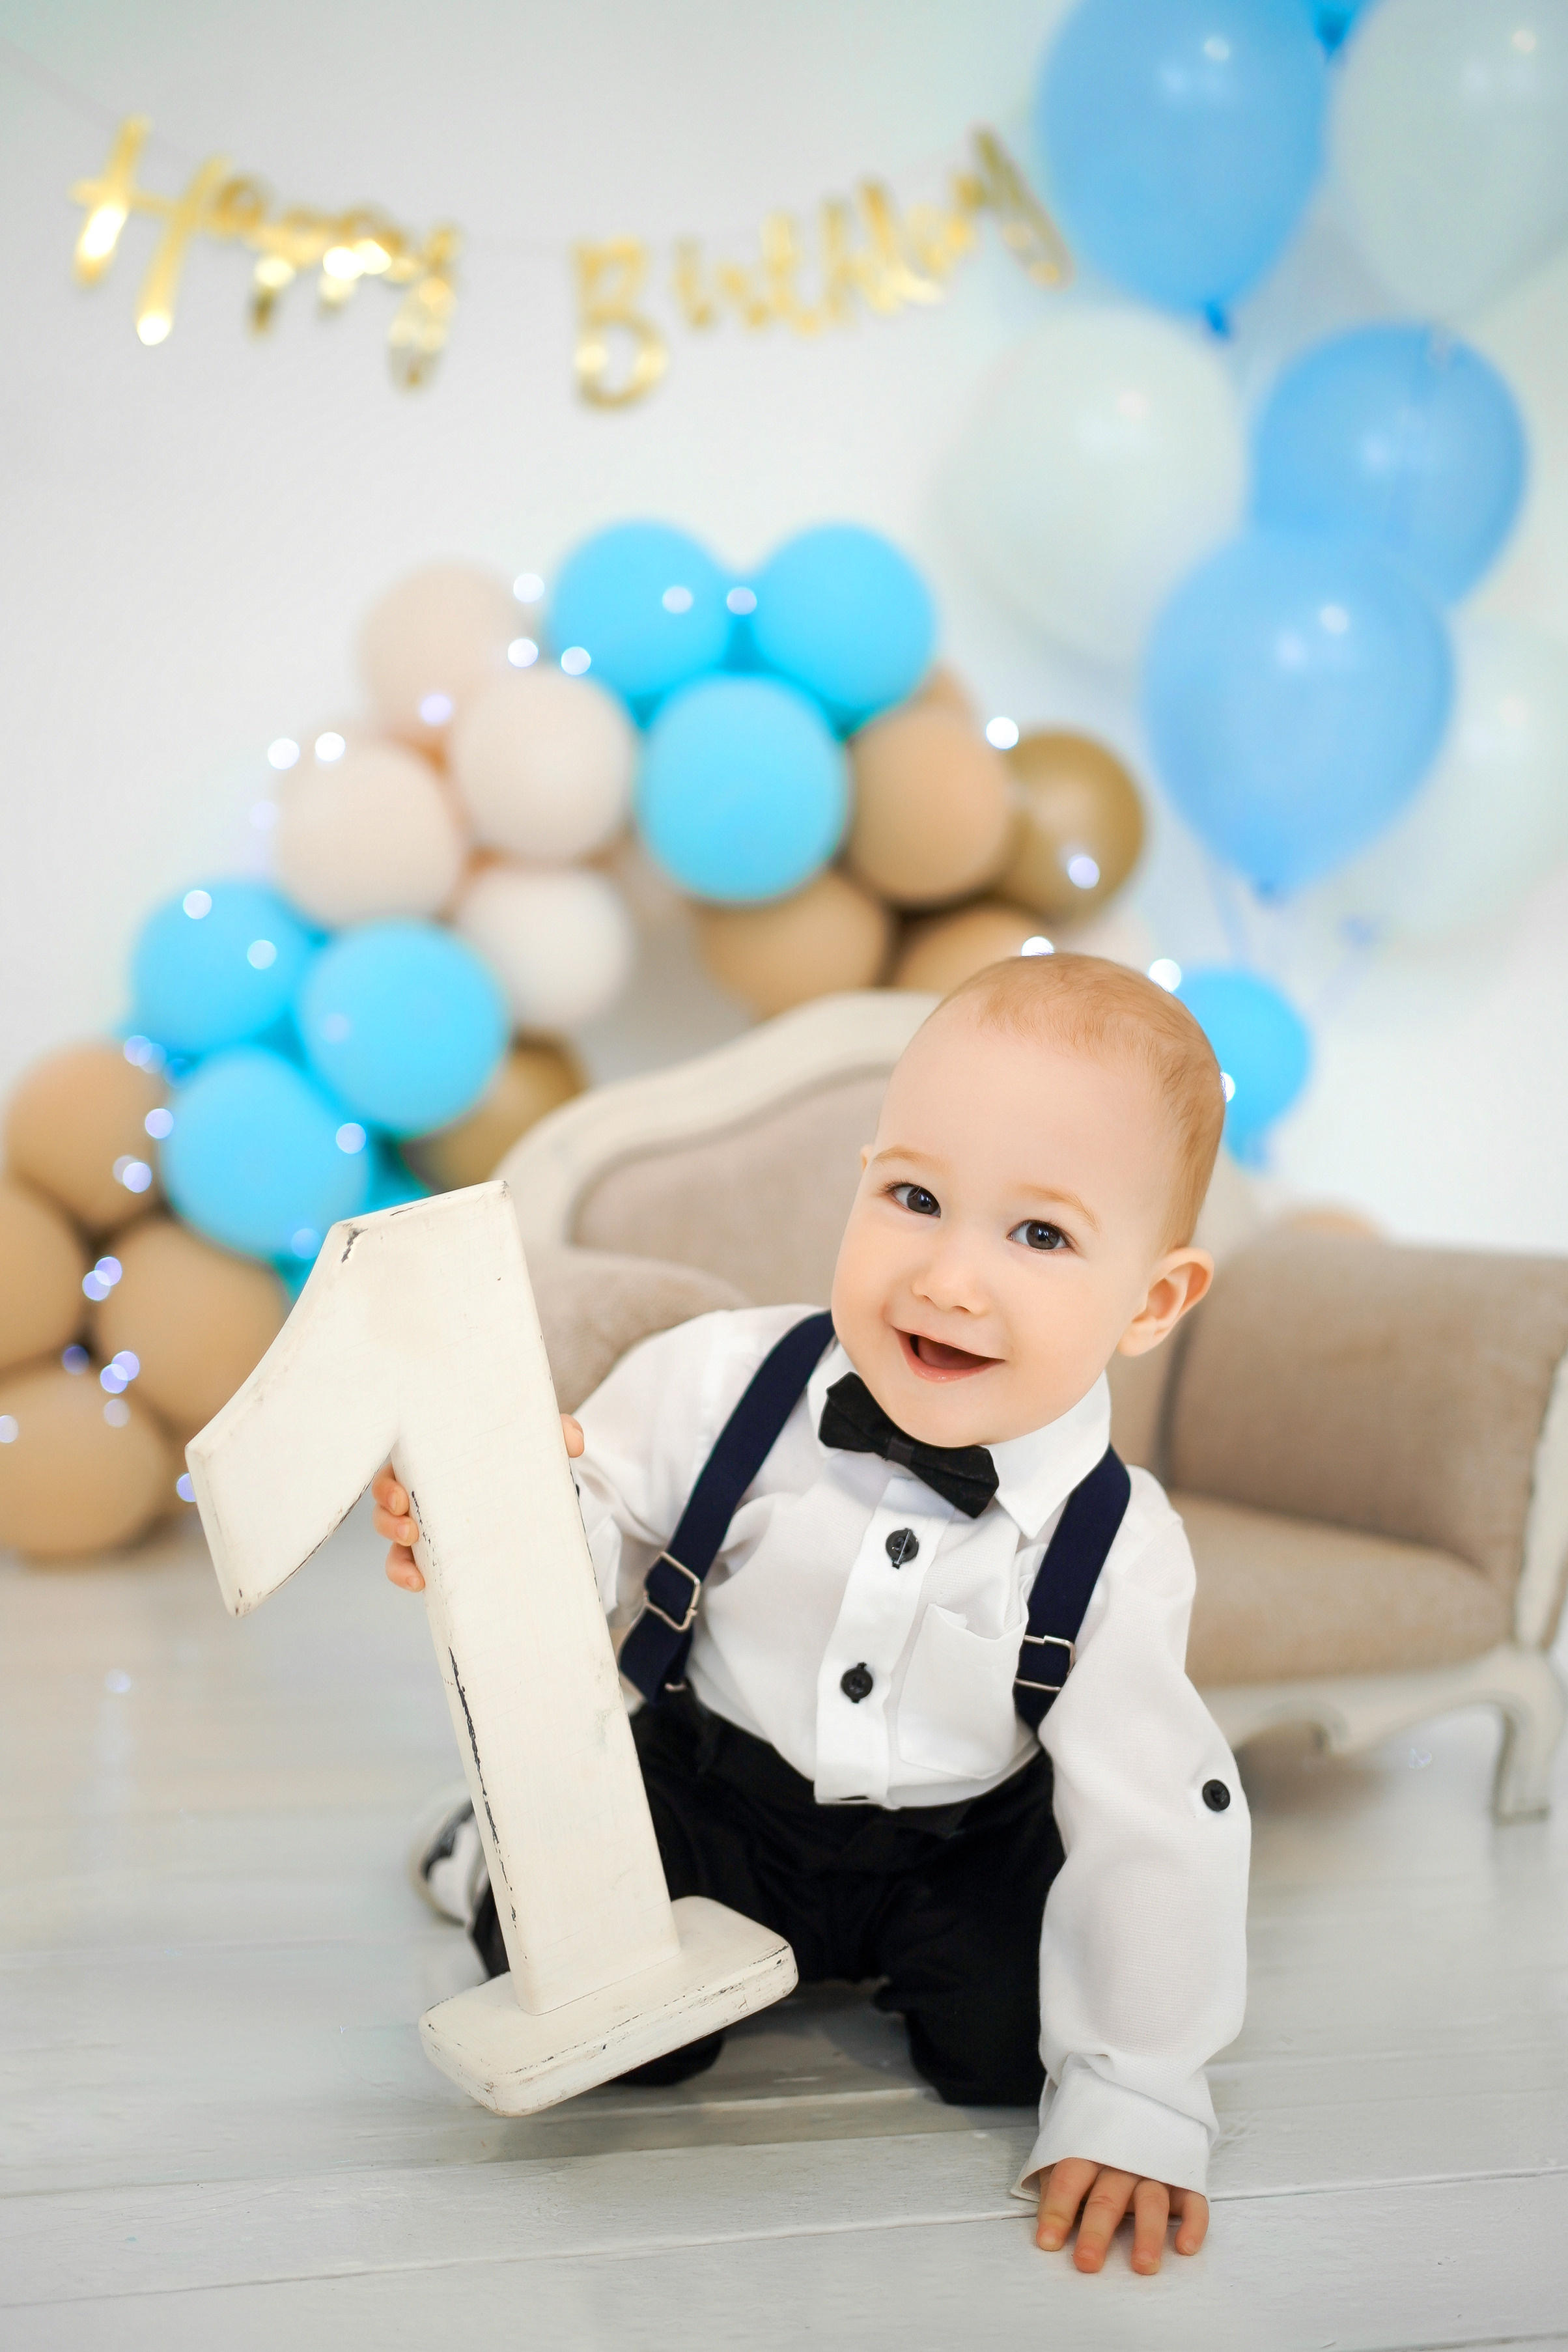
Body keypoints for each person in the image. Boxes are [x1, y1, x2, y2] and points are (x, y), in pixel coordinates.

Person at [375, 952, 1249, 2278]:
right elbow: (590, 1517)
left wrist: (1137, 2093)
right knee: (597, 2012)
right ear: (861, 1179)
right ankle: (474, 1855)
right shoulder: (721, 1377)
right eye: (914, 1198)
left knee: (1015, 2058)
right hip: (724, 1783)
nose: (949, 1279)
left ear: (1153, 1300)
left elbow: (1151, 1821)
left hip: (961, 1834)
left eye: (1039, 1235)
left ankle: (987, 2008)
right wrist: (496, 1514)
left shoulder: (1122, 1549)